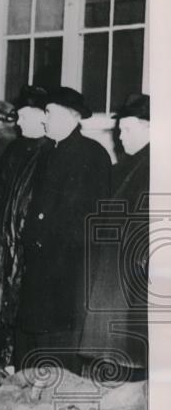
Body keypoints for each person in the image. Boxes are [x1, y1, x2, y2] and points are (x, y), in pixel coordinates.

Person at [15, 87, 111, 374]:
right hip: (41, 270)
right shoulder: (48, 152)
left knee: (58, 348)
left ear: (72, 116)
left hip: (66, 274)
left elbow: (88, 219)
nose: (43, 120)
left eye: (49, 113)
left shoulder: (91, 155)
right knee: (36, 343)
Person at [0, 85, 51, 365]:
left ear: (40, 115)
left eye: (22, 116)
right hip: (0, 246)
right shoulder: (13, 148)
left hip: (26, 250)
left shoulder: (50, 152)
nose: (17, 122)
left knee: (23, 317)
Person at [80, 93, 150, 380]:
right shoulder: (128, 166)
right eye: (120, 130)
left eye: (128, 130)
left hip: (135, 276)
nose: (121, 137)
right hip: (115, 274)